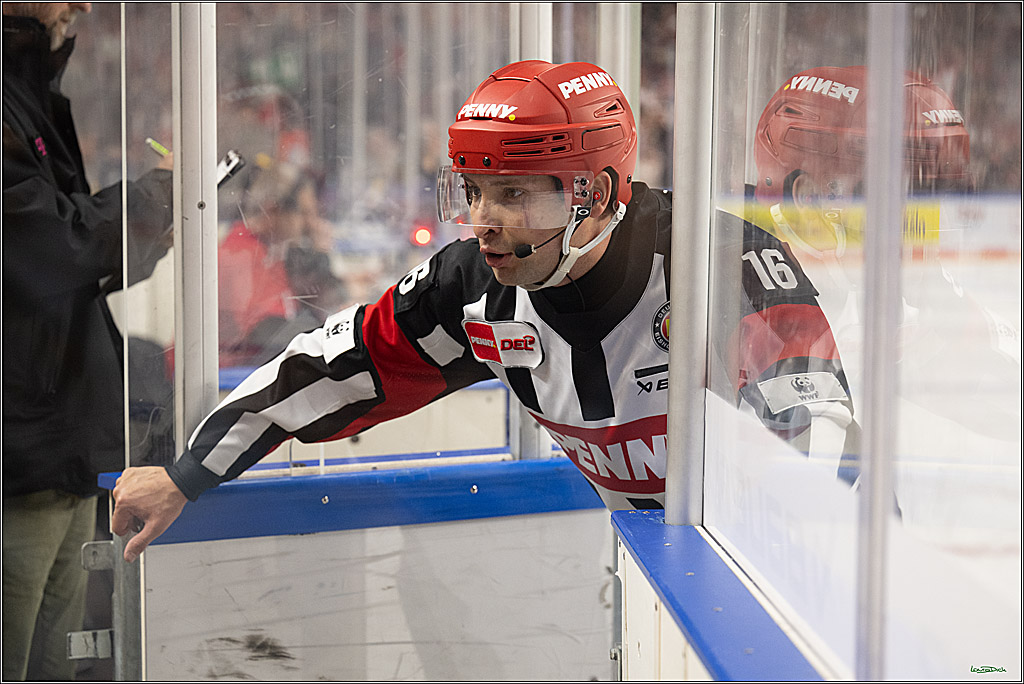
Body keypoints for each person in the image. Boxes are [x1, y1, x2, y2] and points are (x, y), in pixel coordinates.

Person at [110, 60, 851, 561]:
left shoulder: (728, 267)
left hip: (763, 582)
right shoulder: (473, 287)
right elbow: (334, 369)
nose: (483, 220)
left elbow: (828, 463)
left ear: (595, 194)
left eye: (514, 193)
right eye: (473, 190)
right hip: (652, 568)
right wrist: (185, 474)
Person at [2, 3, 174, 680]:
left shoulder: (28, 88)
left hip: (57, 444)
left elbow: (83, 261)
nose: (85, 6)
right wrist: (156, 200)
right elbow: (52, 248)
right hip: (22, 451)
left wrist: (158, 216)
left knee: (54, 656)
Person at [218, 158, 346, 367]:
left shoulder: (271, 251)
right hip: (231, 376)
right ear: (273, 210)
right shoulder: (242, 254)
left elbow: (319, 300)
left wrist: (319, 255)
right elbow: (264, 333)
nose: (311, 223)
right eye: (304, 214)